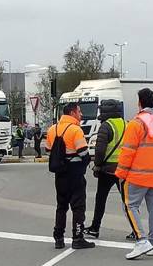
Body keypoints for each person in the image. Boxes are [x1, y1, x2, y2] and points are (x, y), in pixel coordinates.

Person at [116, 88, 153, 260]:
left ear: (139, 102)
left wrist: (121, 173)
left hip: (138, 174)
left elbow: (128, 151)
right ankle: (152, 244)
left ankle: (142, 241)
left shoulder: (137, 123)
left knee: (130, 206)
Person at [85, 99, 136, 240]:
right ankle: (135, 229)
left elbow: (100, 150)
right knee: (128, 201)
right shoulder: (128, 125)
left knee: (100, 199)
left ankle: (95, 228)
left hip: (107, 170)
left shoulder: (106, 126)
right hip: (124, 169)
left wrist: (97, 166)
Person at [46, 102, 94, 250]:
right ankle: (78, 237)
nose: (81, 115)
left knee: (61, 205)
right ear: (73, 113)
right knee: (78, 206)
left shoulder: (52, 129)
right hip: (75, 172)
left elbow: (48, 150)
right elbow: (83, 152)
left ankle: (58, 237)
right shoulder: (75, 130)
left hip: (60, 173)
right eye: (79, 112)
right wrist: (85, 163)